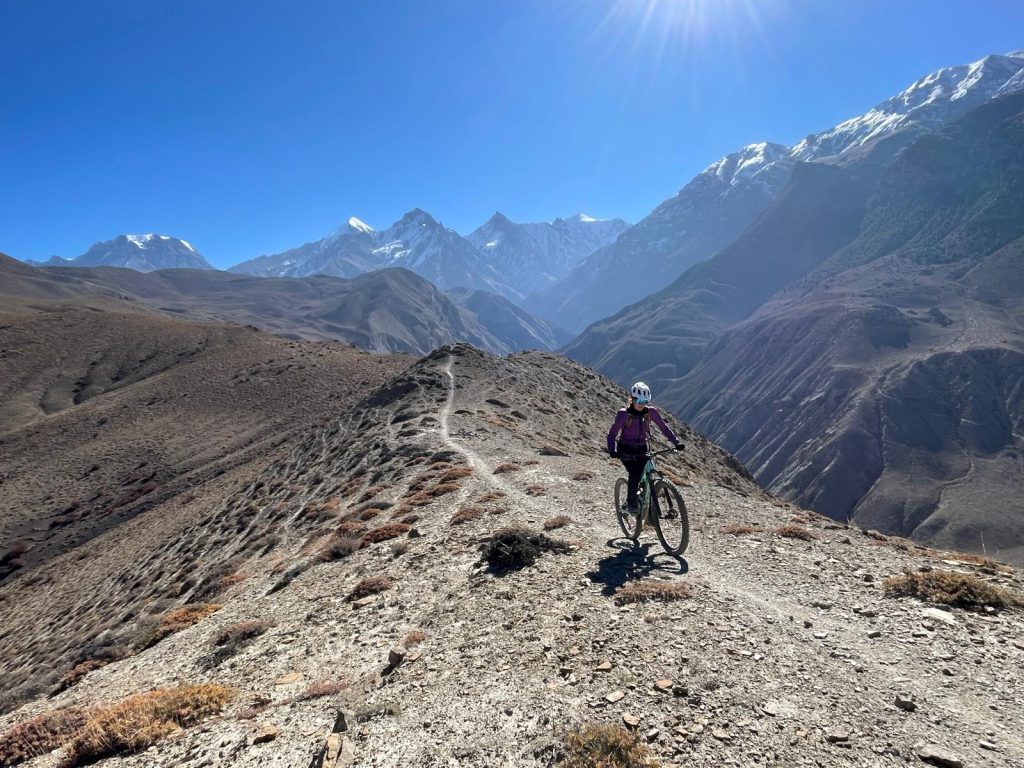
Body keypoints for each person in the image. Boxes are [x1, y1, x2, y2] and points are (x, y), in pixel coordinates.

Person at [606, 382, 683, 511]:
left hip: (642, 447)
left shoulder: (651, 412)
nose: (641, 403)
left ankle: (646, 503)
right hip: (625, 449)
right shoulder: (623, 414)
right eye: (638, 400)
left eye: (645, 401)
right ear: (632, 398)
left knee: (649, 468)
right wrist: (612, 451)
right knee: (635, 473)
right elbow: (612, 433)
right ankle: (631, 503)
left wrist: (676, 442)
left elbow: (664, 428)